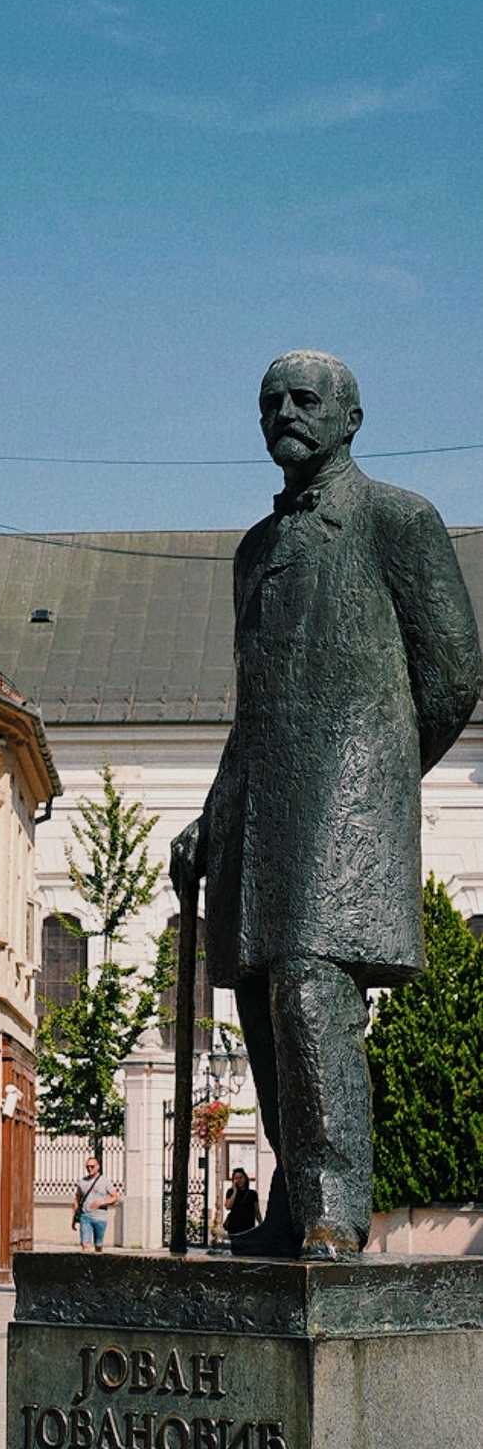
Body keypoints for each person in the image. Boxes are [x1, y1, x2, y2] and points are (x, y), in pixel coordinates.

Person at [171, 353, 482, 1259]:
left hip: (341, 809)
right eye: (270, 401)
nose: (284, 413)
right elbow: (251, 712)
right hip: (261, 817)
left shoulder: (395, 520)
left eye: (305, 401)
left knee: (311, 993)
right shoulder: (254, 552)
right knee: (264, 1005)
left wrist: (376, 776)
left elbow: (454, 673)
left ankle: (334, 1210)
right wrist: (209, 817)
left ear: (351, 420)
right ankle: (287, 1204)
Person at [73, 1153, 119, 1251]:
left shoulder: (104, 1181)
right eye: (87, 1167)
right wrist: (74, 1218)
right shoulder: (82, 1182)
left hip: (100, 1218)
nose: (90, 1169)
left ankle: (97, 1264)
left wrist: (102, 1202)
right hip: (85, 1217)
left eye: (92, 1166)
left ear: (98, 1167)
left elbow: (115, 1197)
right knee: (85, 1245)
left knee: (98, 1245)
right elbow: (77, 1199)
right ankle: (86, 1265)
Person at [223, 1167, 262, 1239]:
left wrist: (261, 1224)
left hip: (248, 1226)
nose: (239, 1180)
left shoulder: (252, 1194)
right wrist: (234, 1191)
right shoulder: (230, 1192)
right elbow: (228, 1206)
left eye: (240, 1178)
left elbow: (257, 1211)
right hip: (234, 1227)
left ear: (245, 1178)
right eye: (236, 1178)